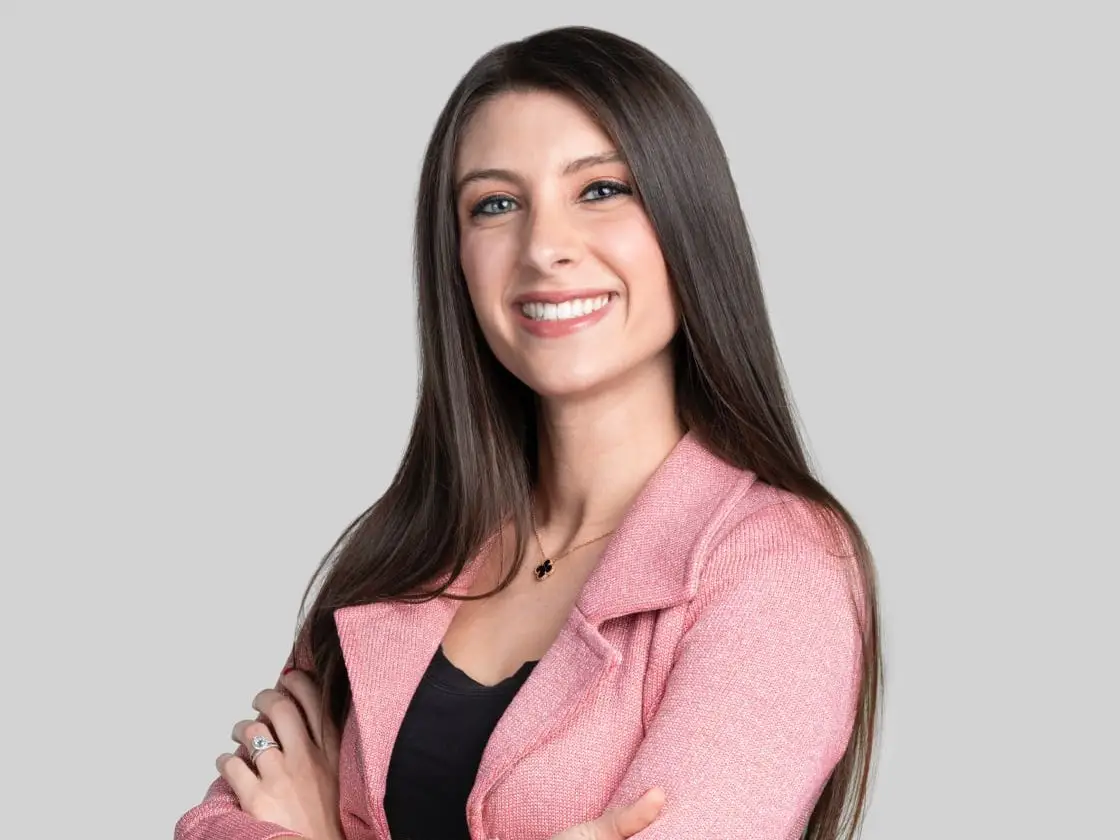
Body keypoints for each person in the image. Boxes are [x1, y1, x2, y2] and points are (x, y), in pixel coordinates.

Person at [174, 24, 882, 840]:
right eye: (496, 205)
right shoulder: (407, 547)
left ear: (689, 223)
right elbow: (211, 825)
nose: (544, 248)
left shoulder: (777, 562)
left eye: (602, 189)